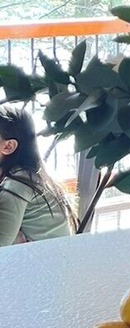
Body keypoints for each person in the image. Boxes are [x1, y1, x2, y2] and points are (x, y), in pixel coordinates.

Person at [0, 104, 74, 246]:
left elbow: (2, 249)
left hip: (41, 264)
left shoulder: (17, 184)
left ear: (8, 146)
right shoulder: (30, 175)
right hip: (55, 260)